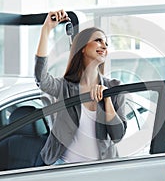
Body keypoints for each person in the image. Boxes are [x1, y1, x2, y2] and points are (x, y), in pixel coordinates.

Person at [34, 9, 126, 165]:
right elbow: (41, 80)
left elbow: (117, 135)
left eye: (106, 43)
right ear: (82, 47)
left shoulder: (114, 87)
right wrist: (46, 29)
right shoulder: (64, 87)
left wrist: (108, 100)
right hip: (64, 167)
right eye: (98, 40)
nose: (104, 46)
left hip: (100, 170)